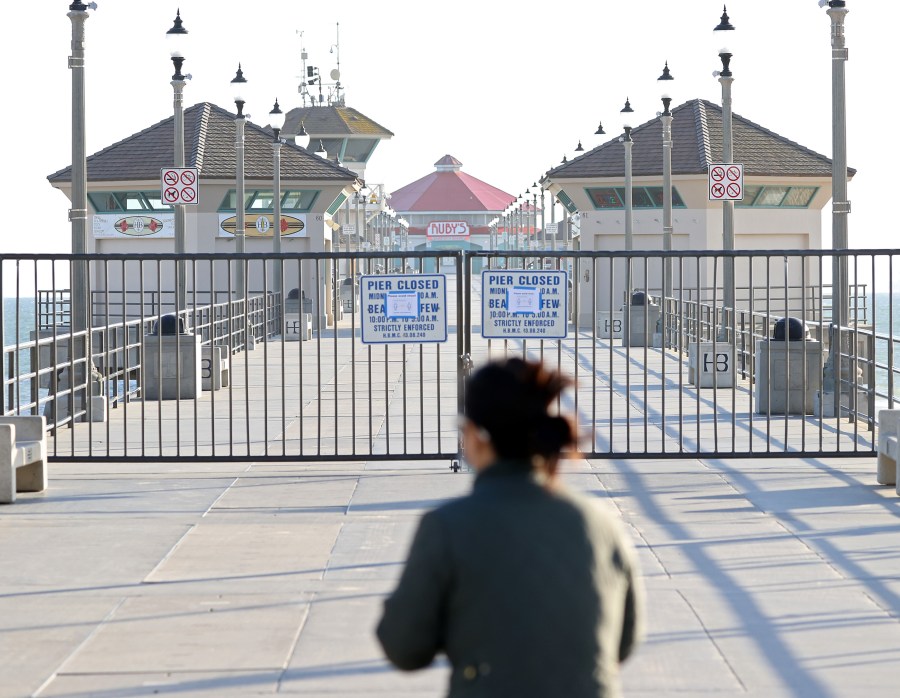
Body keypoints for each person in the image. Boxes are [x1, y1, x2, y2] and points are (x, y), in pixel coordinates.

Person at [376, 357, 643, 697]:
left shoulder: (448, 527)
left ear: (475, 436)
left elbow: (404, 647)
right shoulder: (601, 523)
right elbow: (622, 641)